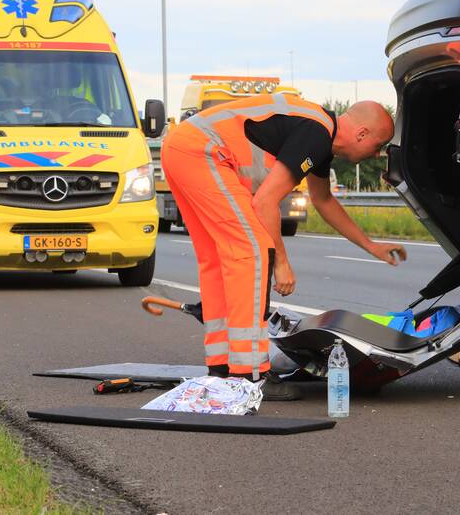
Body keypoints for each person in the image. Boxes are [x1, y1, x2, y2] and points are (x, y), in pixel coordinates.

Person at [160, 94, 405, 400]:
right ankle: (249, 376)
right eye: (377, 145)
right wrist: (282, 263)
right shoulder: (315, 133)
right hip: (204, 151)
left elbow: (323, 200)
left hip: (181, 148)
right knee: (251, 253)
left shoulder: (319, 132)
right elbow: (265, 202)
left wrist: (371, 246)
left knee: (220, 260)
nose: (376, 154)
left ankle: (222, 368)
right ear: (361, 134)